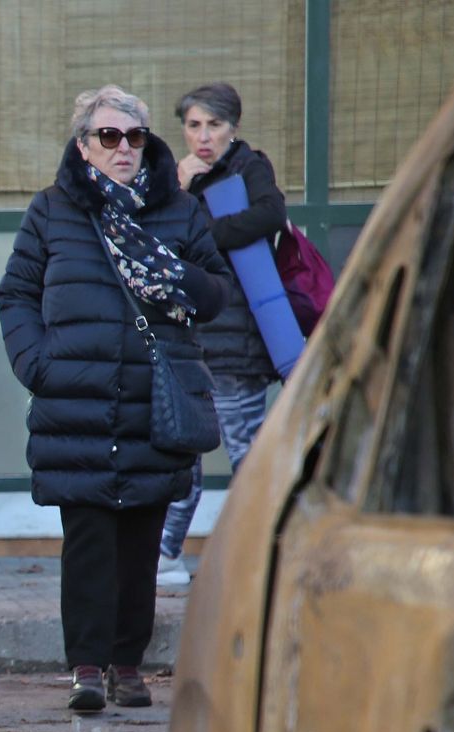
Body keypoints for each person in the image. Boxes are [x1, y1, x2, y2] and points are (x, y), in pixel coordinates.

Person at [0, 85, 229, 711]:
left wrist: (175, 274)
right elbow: (14, 293)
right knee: (89, 539)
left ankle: (129, 665)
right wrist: (37, 364)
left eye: (133, 137)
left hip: (154, 402)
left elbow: (215, 292)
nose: (122, 148)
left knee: (140, 539)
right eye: (108, 136)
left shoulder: (178, 212)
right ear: (84, 145)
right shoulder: (52, 210)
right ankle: (89, 668)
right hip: (77, 400)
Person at [156, 83, 288, 587]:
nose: (203, 136)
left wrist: (205, 231)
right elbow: (161, 241)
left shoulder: (248, 166)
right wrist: (181, 190)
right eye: (193, 125)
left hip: (239, 342)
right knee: (183, 452)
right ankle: (166, 555)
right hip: (191, 339)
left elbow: (269, 214)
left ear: (233, 126)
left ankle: (263, 558)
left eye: (213, 125)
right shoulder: (176, 177)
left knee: (246, 454)